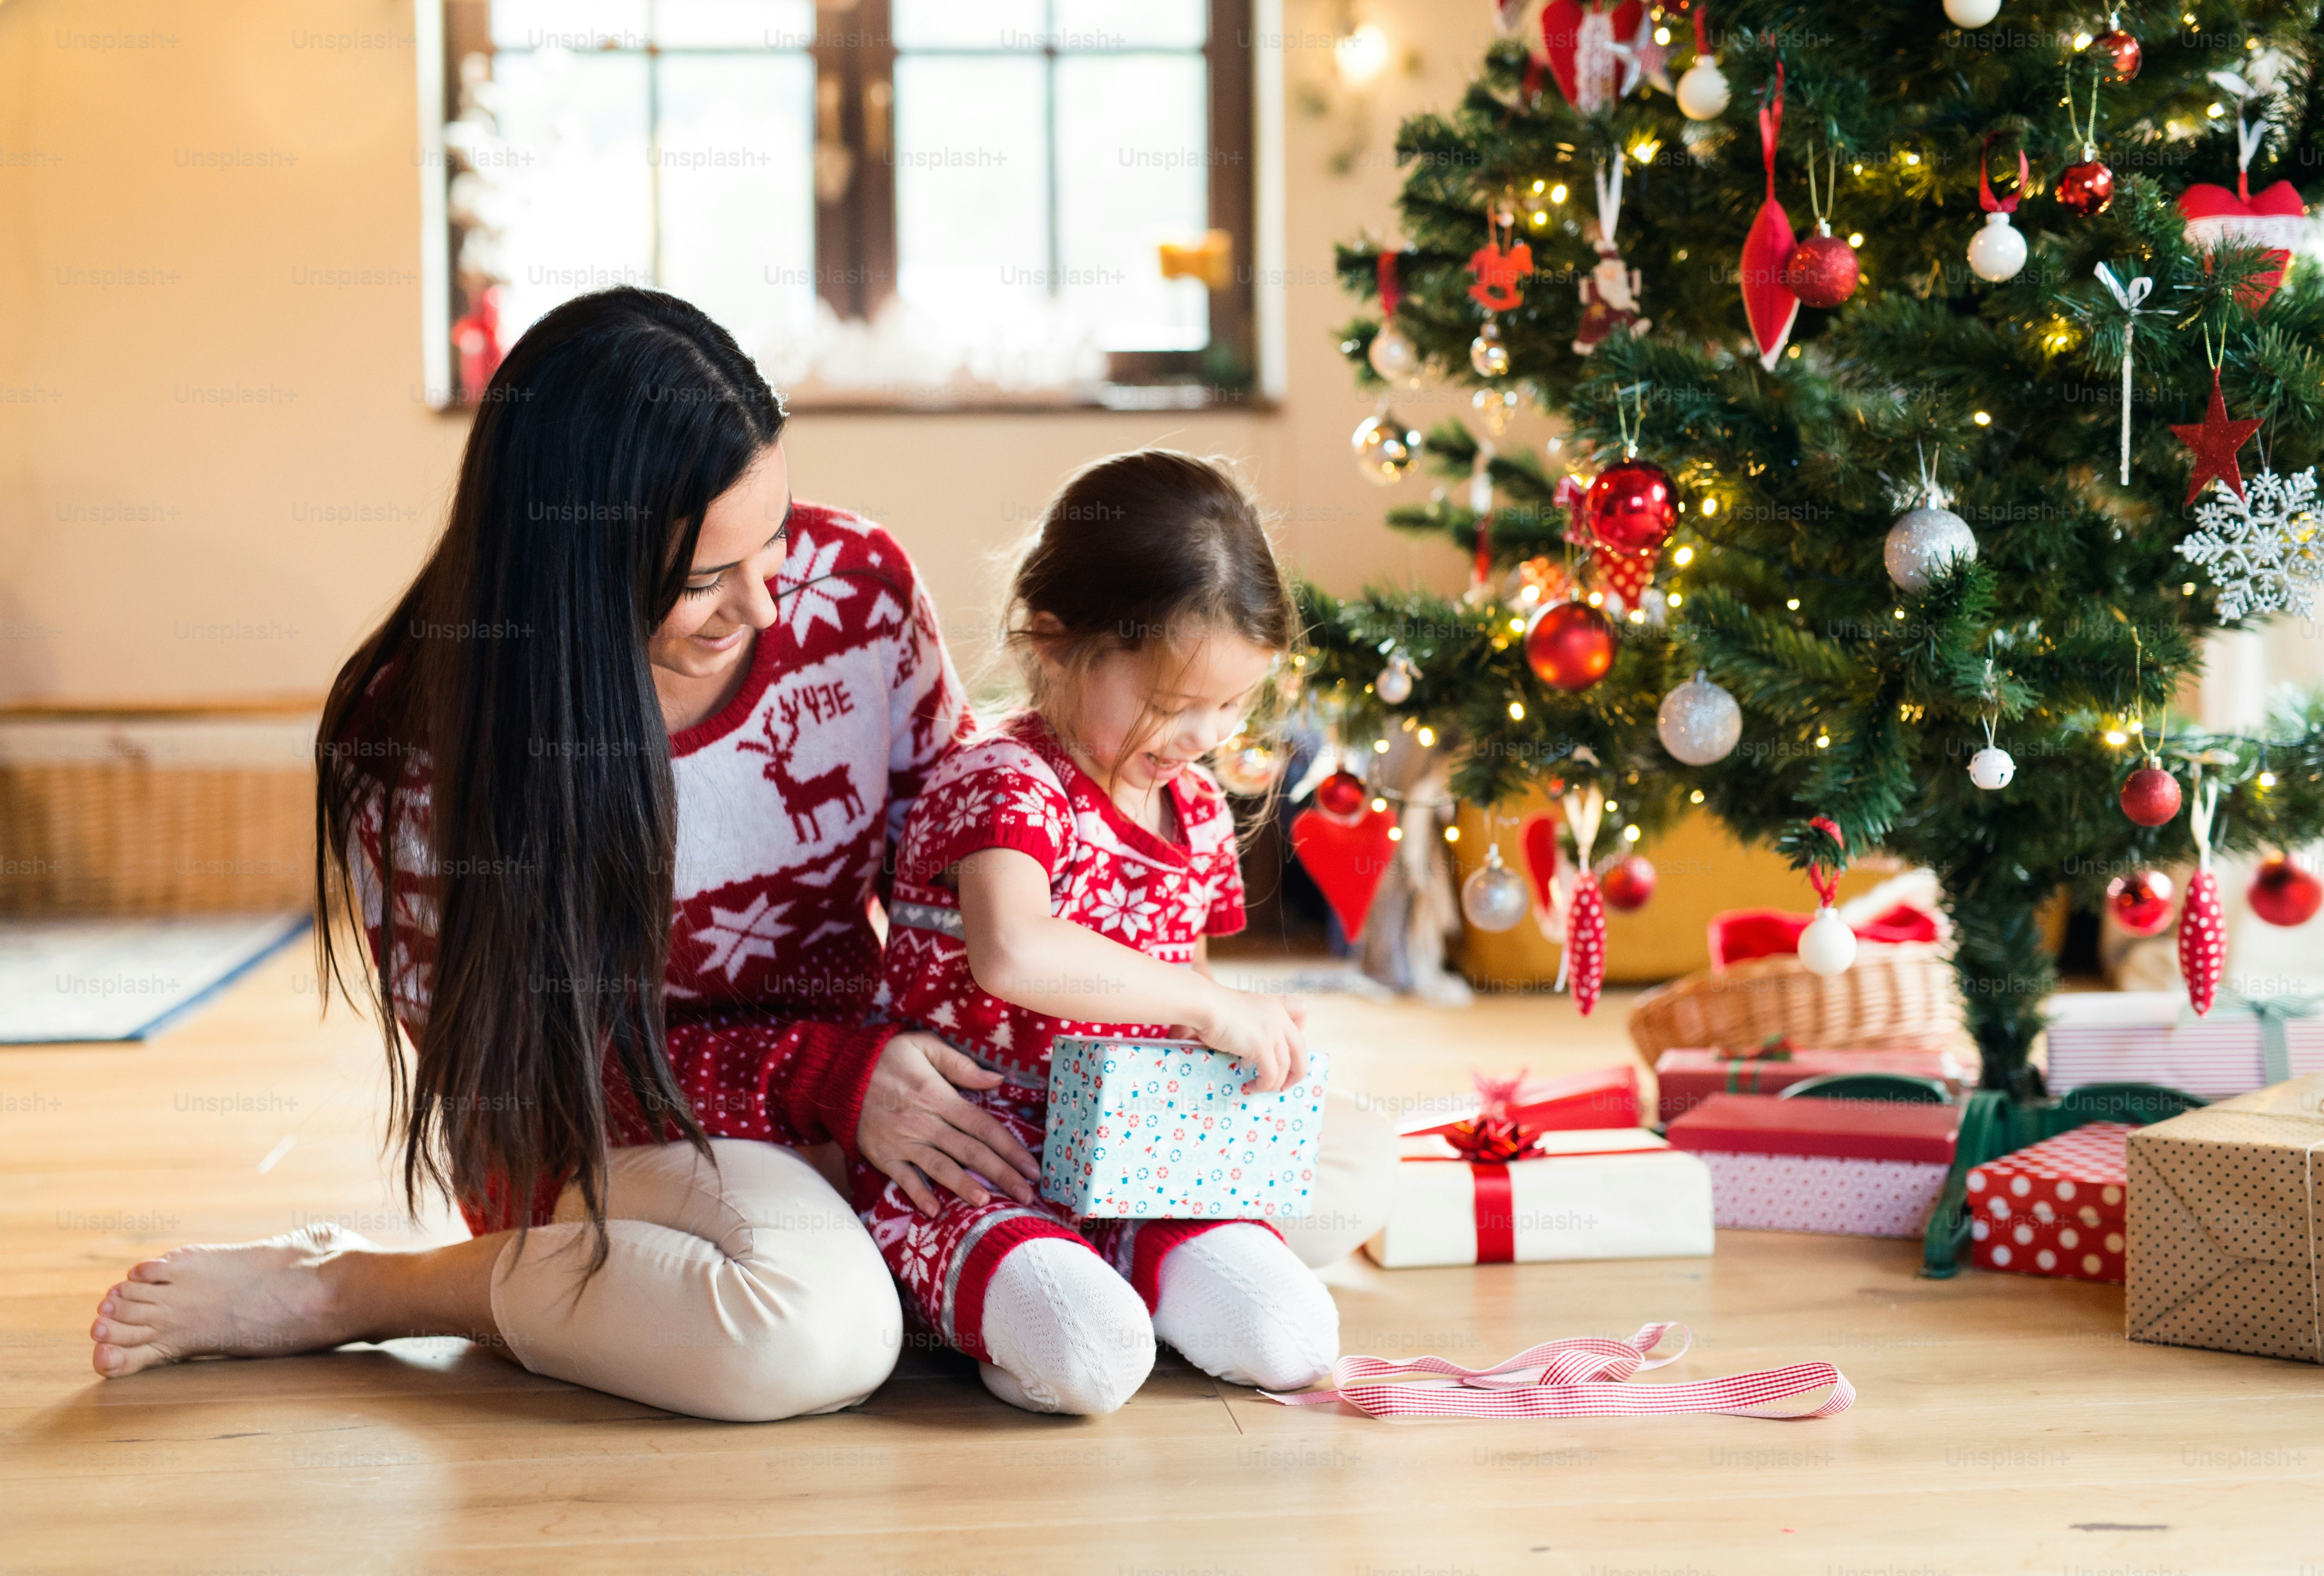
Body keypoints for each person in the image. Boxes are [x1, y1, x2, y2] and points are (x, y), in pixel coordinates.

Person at [84, 291, 1394, 1421]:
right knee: (808, 1336)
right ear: (571, 560)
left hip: (887, 1097)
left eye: (772, 541)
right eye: (709, 573)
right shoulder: (422, 748)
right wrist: (822, 1077)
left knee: (1337, 1156)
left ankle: (976, 1261)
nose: (768, 601)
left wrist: (1018, 1072)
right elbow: (520, 1090)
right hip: (640, 1133)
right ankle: (361, 1285)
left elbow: (959, 894)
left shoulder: (852, 590)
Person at [860, 449, 1340, 1415]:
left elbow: (1182, 1006)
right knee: (1092, 1355)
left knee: (1292, 1337)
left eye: (1231, 703)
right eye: (1172, 703)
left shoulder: (1195, 806)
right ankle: (987, 1292)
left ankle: (1094, 1284)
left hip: (1132, 1167)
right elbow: (1015, 951)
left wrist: (1237, 1047)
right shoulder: (1005, 779)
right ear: (1052, 641)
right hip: (968, 1165)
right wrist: (1209, 1001)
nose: (1202, 733)